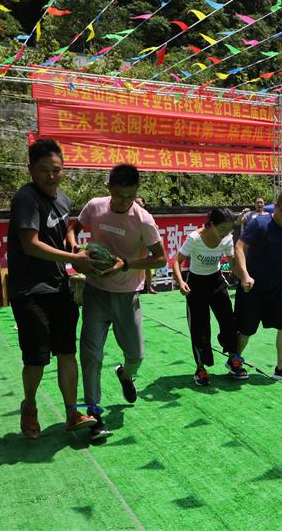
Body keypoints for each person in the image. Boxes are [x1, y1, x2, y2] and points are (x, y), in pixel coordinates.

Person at [67, 164, 167, 439]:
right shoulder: (95, 207)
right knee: (91, 355)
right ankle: (94, 413)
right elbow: (73, 228)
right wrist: (75, 247)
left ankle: (126, 374)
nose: (124, 202)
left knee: (136, 354)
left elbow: (160, 259)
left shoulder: (144, 220)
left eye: (129, 196)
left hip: (127, 295)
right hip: (95, 291)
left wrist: (126, 264)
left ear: (136, 191)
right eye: (119, 195)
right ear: (108, 187)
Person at [8, 139, 99, 439]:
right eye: (44, 170)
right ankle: (30, 405)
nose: (51, 176)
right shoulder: (26, 198)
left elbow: (63, 233)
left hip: (60, 287)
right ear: (31, 169)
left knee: (66, 350)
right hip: (29, 291)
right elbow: (30, 244)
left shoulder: (63, 200)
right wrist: (75, 259)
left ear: (64, 170)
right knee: (36, 357)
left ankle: (72, 412)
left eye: (56, 170)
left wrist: (71, 244)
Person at [233, 190, 282, 384]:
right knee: (246, 330)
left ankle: (280, 368)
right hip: (252, 287)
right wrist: (244, 275)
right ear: (276, 207)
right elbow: (239, 247)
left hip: (276, 288)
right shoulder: (258, 224)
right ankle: (234, 361)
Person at [172, 208, 245, 387]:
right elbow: (176, 260)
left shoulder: (227, 238)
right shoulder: (195, 239)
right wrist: (181, 282)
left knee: (229, 321)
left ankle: (233, 360)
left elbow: (233, 263)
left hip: (217, 282)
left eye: (229, 229)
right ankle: (200, 368)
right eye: (222, 229)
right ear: (211, 224)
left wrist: (244, 278)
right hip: (196, 286)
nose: (225, 233)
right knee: (200, 327)